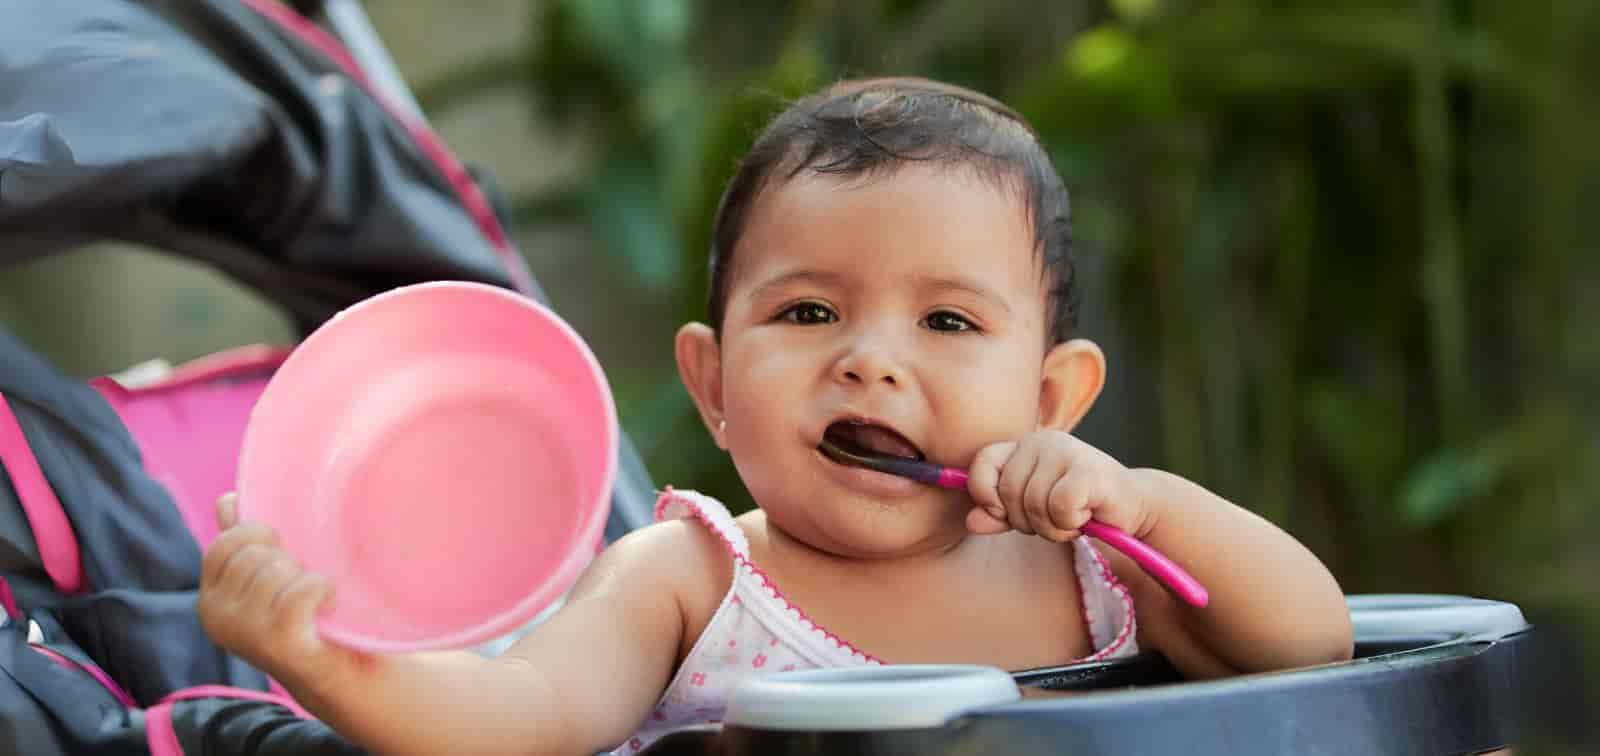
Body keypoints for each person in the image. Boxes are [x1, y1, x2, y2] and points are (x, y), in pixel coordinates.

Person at [197, 77, 1353, 756]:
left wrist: (1145, 502)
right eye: (806, 312)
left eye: (946, 324)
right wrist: (326, 666)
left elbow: (1312, 646)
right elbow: (524, 713)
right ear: (710, 384)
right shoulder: (687, 580)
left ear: (1051, 399)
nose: (868, 363)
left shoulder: (1097, 565)